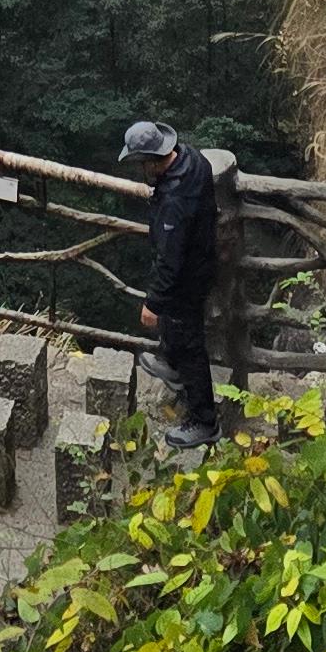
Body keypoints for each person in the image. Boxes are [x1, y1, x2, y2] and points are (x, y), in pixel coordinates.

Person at [121, 115, 218, 448]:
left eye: (141, 163)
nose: (140, 169)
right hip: (202, 262)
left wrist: (153, 303)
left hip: (186, 279)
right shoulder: (194, 160)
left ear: (152, 162)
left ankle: (204, 421)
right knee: (179, 334)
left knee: (191, 346)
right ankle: (171, 363)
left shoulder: (176, 199)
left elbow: (170, 259)